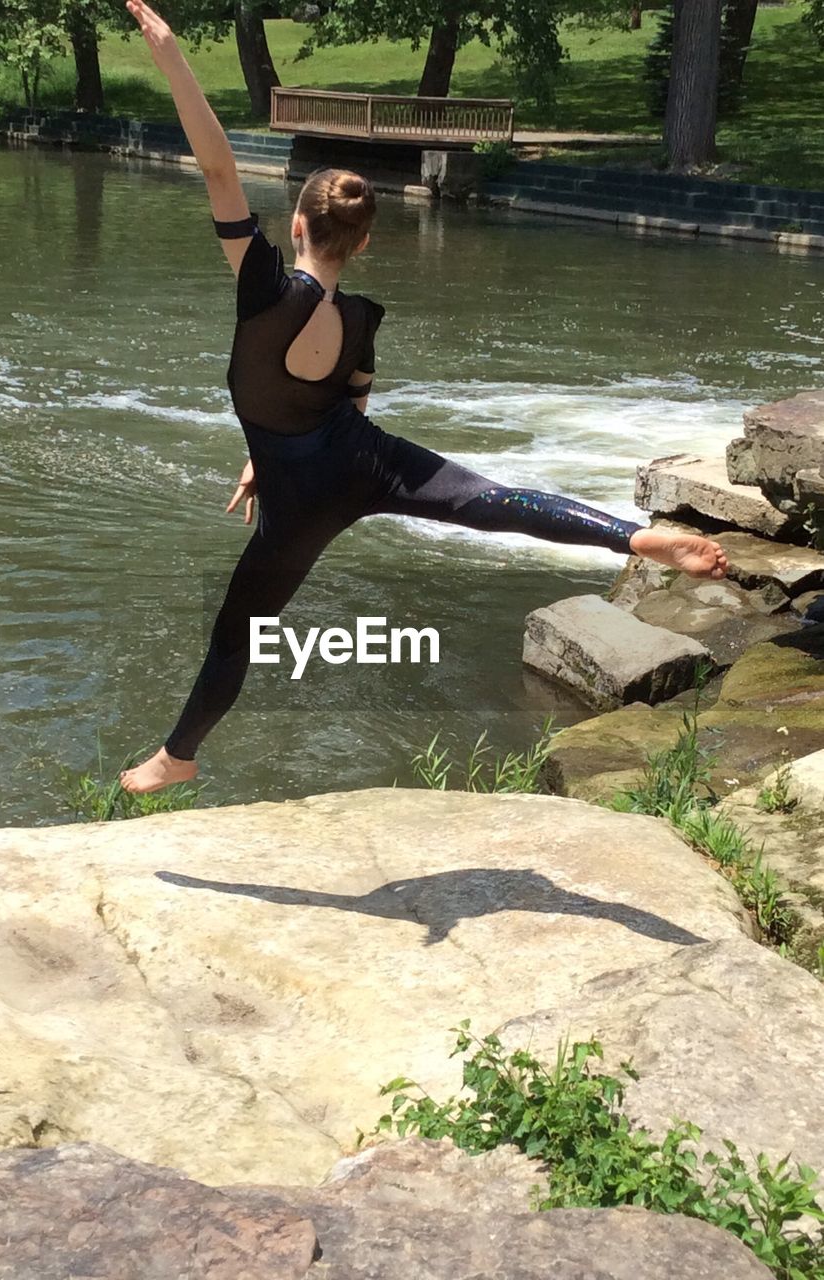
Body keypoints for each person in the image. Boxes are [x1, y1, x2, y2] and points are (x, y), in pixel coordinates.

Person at [119, 0, 728, 794]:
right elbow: (340, 409)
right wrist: (261, 453)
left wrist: (170, 56)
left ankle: (179, 754)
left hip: (301, 500)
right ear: (363, 241)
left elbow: (220, 168)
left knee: (239, 630)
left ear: (297, 226)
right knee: (494, 501)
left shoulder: (265, 290)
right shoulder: (360, 323)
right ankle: (633, 537)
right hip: (362, 461)